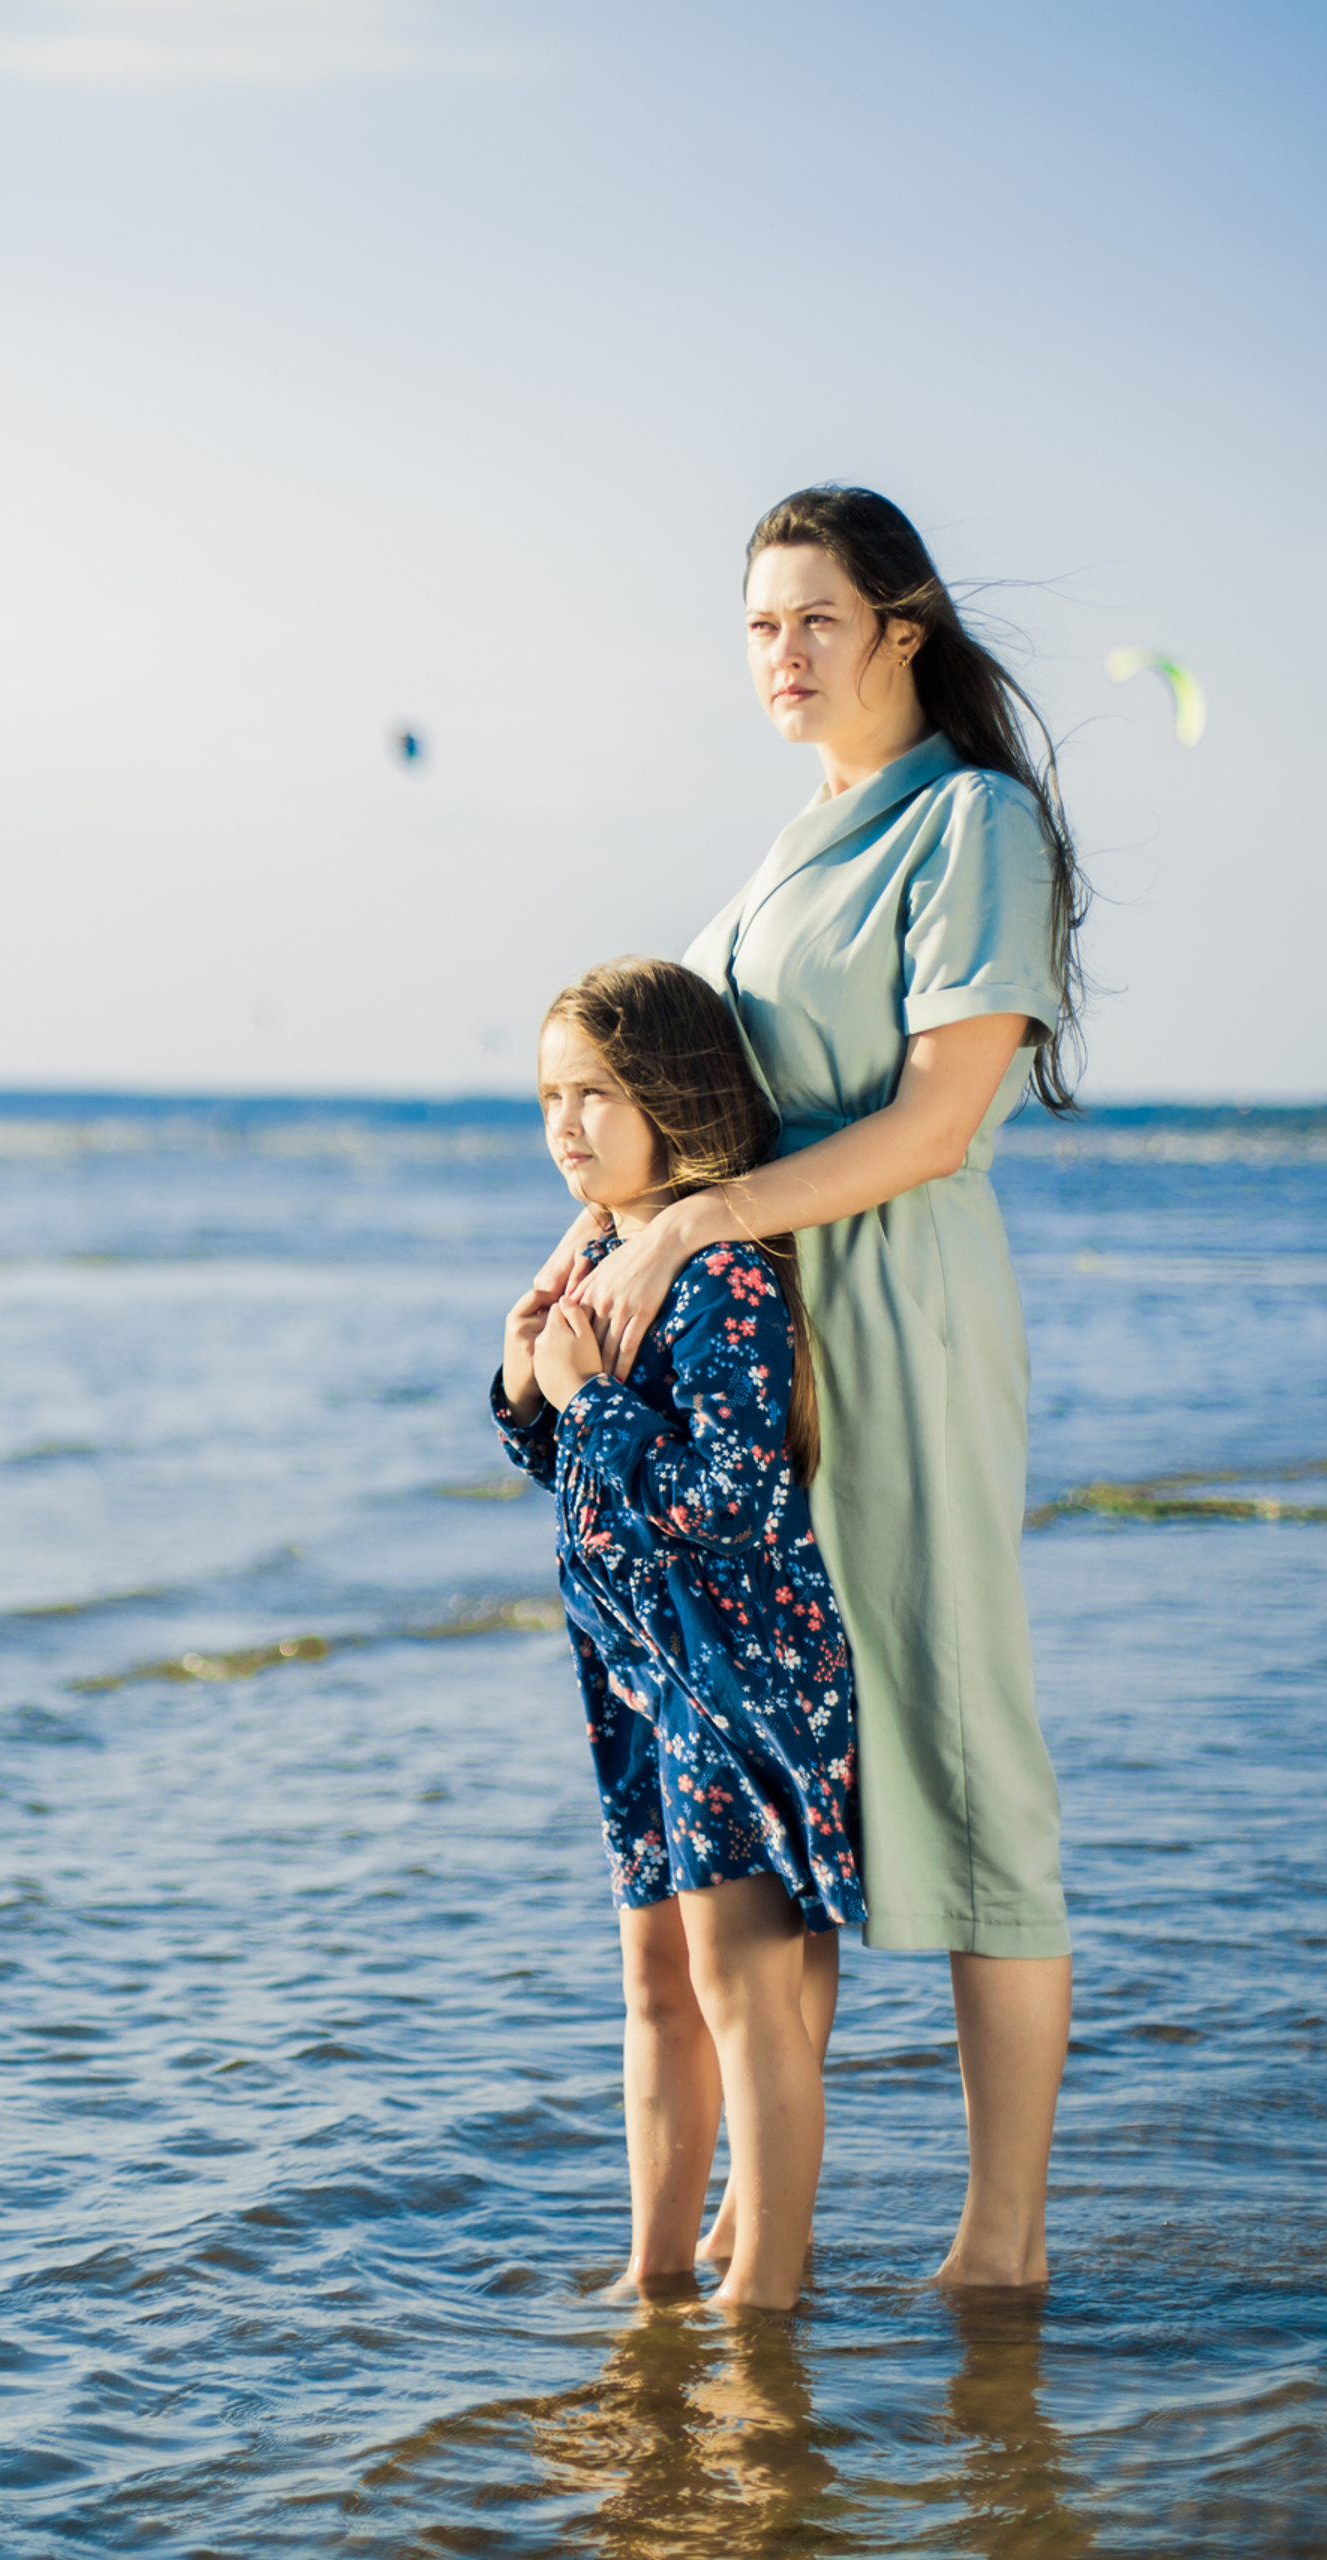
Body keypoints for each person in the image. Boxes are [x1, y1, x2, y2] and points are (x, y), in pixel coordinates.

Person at [548, 485, 1083, 2290]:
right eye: (759, 627)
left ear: (902, 631)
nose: (780, 655)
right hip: (754, 1336)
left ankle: (998, 2243)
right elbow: (699, 1111)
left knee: (957, 1742)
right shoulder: (795, 841)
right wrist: (590, 1250)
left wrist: (698, 1220)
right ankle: (751, 2222)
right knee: (781, 1765)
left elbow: (935, 1121)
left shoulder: (974, 821)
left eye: (816, 621)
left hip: (900, 1317)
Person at [497, 958, 865, 2314]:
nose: (566, 1123)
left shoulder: (723, 1279)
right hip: (637, 1681)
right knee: (656, 1978)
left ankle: (762, 2292)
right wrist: (527, 1389)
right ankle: (656, 2269)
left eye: (598, 1092)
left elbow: (727, 1500)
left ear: (679, 1095)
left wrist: (588, 1400)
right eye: (550, 1095)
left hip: (737, 1678)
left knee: (740, 1982)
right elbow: (590, 1483)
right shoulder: (599, 1257)